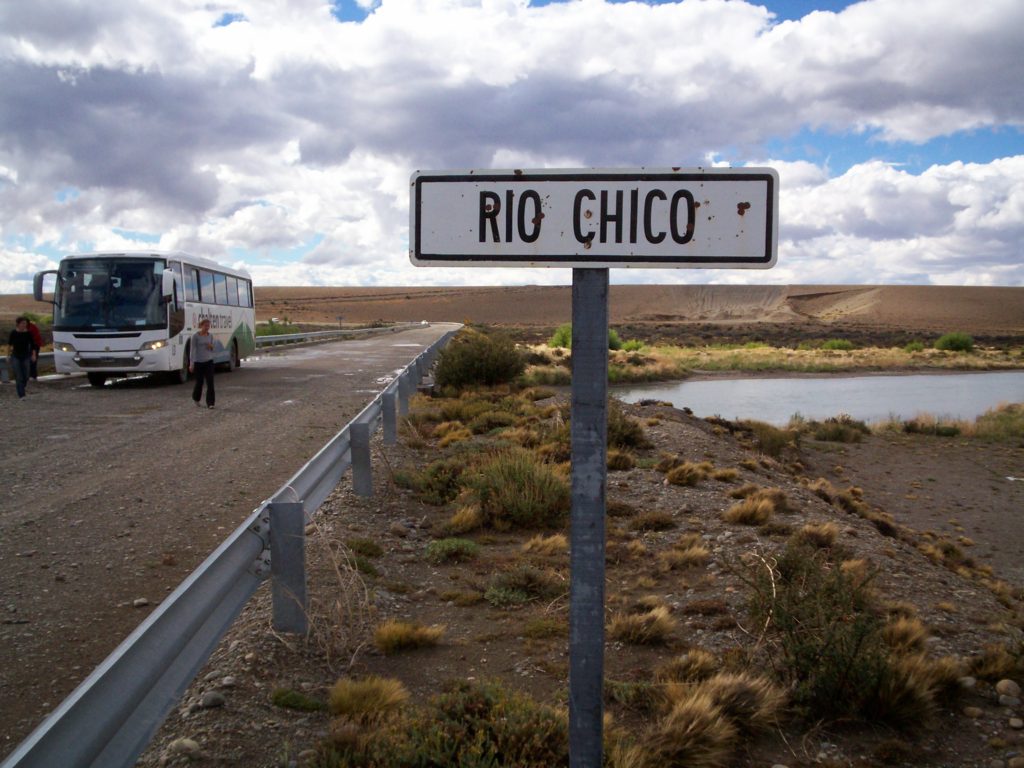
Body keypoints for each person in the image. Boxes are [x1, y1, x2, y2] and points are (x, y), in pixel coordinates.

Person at [8, 316, 39, 399]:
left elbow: (33, 345)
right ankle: (21, 394)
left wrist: (34, 355)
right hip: (15, 356)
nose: (24, 325)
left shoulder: (28, 333)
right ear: (18, 324)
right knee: (19, 375)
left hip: (26, 356)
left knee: (26, 374)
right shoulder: (13, 333)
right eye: (23, 323)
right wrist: (8, 356)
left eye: (25, 323)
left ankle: (23, 385)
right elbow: (10, 345)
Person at [189, 318, 216, 409]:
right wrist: (191, 363)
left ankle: (210, 403)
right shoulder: (195, 336)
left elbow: (212, 348)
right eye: (205, 326)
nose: (207, 327)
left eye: (208, 326)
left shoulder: (210, 336)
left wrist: (211, 346)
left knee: (210, 382)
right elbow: (192, 350)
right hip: (198, 362)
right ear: (201, 326)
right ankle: (196, 398)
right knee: (199, 382)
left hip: (209, 361)